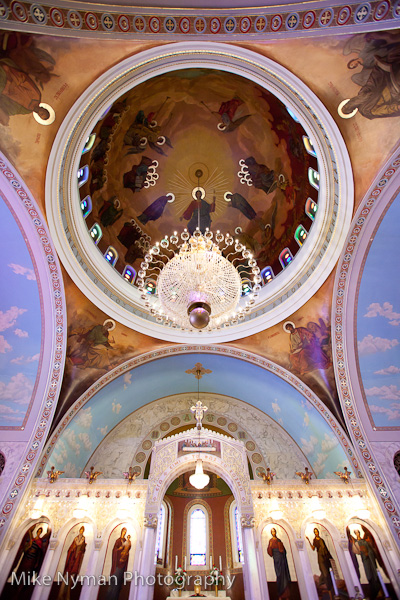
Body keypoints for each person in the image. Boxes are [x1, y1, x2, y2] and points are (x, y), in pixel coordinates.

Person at [12, 524, 51, 597]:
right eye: (38, 531)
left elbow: (39, 552)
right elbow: (25, 548)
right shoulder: (32, 539)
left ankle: (21, 590)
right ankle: (16, 589)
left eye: (40, 531)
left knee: (27, 575)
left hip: (32, 560)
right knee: (21, 573)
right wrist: (29, 547)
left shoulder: (40, 541)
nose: (39, 532)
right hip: (26, 559)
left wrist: (36, 562)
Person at [350, 530, 380, 600]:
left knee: (375, 573)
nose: (357, 534)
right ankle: (372, 589)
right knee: (368, 574)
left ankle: (378, 588)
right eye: (356, 533)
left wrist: (368, 553)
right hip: (364, 560)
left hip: (370, 559)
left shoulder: (364, 541)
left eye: (358, 532)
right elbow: (356, 551)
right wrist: (363, 552)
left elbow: (371, 550)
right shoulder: (356, 542)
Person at [57, 526, 86, 600]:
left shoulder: (83, 539)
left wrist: (80, 551)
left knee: (71, 579)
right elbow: (70, 549)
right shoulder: (75, 538)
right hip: (71, 560)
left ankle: (67, 596)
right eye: (81, 530)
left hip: (76, 560)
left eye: (82, 530)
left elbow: (82, 549)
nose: (81, 531)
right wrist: (73, 549)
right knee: (66, 577)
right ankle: (61, 595)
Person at [106, 527, 131, 600]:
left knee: (118, 583)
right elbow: (114, 550)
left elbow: (127, 549)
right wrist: (119, 549)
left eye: (125, 532)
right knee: (113, 581)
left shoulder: (125, 541)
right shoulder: (118, 541)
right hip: (117, 564)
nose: (124, 533)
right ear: (121, 532)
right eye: (123, 532)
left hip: (122, 565)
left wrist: (125, 553)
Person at [267, 528, 291, 599]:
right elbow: (270, 552)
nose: (273, 532)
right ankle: (280, 594)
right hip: (276, 559)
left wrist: (281, 551)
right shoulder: (271, 541)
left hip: (281, 559)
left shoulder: (279, 540)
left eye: (274, 531)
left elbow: (284, 551)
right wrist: (270, 546)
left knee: (284, 575)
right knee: (279, 575)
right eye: (272, 531)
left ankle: (286, 595)